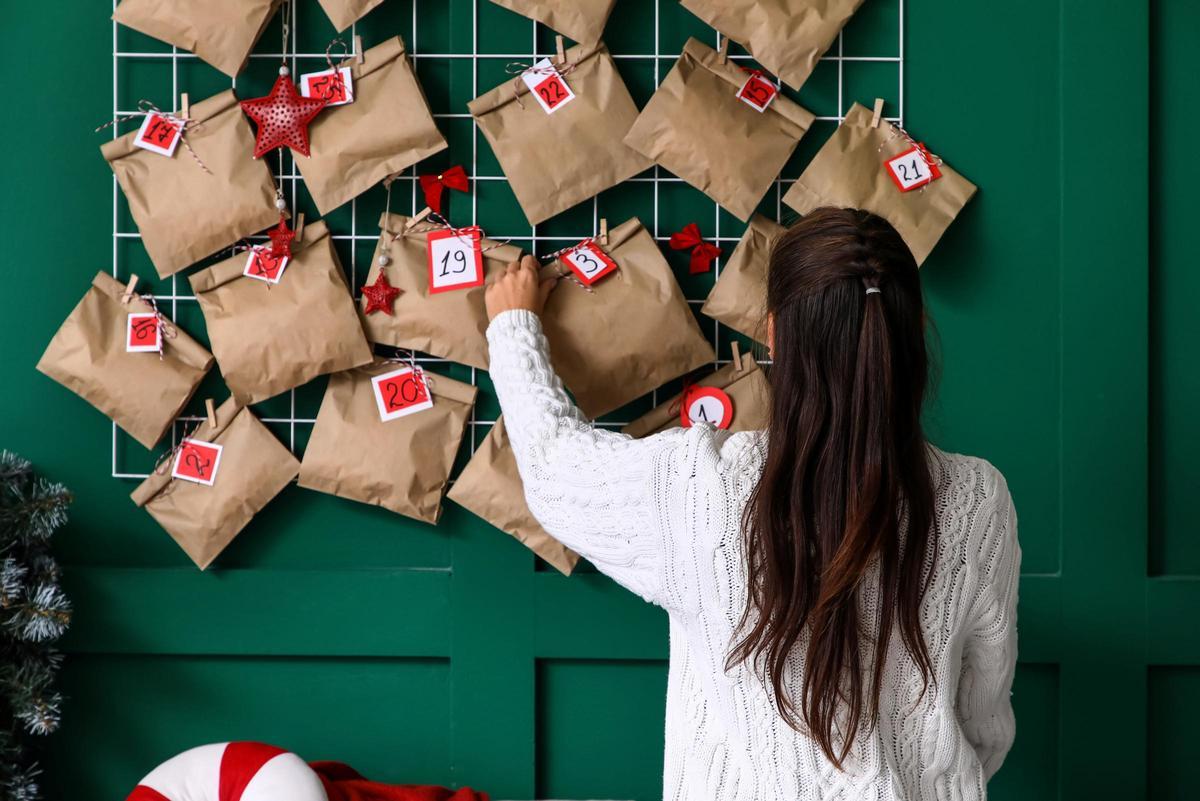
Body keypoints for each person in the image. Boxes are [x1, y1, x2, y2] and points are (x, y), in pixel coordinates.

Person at [483, 207, 1020, 801]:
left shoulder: (699, 488)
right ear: (916, 327)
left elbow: (554, 465)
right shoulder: (978, 501)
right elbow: (984, 720)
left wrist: (512, 326)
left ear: (772, 334)